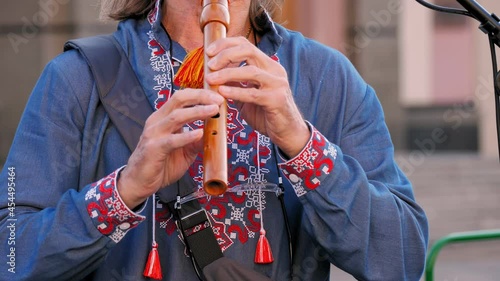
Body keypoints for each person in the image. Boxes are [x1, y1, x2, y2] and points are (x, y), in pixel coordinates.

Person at [0, 0, 429, 280]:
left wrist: (301, 144)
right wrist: (125, 189)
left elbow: (403, 258)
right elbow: (10, 256)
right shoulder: (77, 77)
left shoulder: (326, 77)